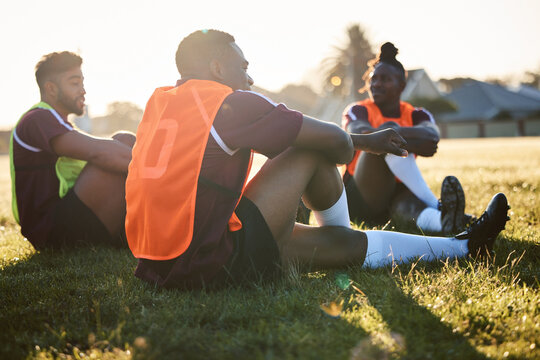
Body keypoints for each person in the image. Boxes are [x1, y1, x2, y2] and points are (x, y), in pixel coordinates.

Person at [125, 30, 509, 289]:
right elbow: (334, 145)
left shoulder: (161, 103)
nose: (250, 78)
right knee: (309, 149)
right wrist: (366, 143)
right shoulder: (229, 102)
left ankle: (464, 247)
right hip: (210, 258)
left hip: (162, 263)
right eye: (244, 67)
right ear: (217, 68)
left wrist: (359, 141)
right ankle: (342, 236)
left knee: (319, 241)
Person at [10, 51, 135, 250]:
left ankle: (139, 229)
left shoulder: (58, 123)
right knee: (122, 145)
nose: (83, 90)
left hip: (65, 218)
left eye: (82, 83)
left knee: (124, 141)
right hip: (52, 231)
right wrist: (164, 168)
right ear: (51, 88)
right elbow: (99, 153)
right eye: (75, 83)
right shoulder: (37, 119)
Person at [342, 42, 472, 234]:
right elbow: (362, 134)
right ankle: (435, 204)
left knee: (409, 207)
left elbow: (432, 138)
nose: (376, 84)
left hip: (398, 191)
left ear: (401, 85)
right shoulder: (358, 109)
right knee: (383, 138)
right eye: (373, 79)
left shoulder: (417, 114)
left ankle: (446, 221)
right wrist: (395, 132)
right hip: (360, 197)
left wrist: (395, 130)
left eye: (384, 79)